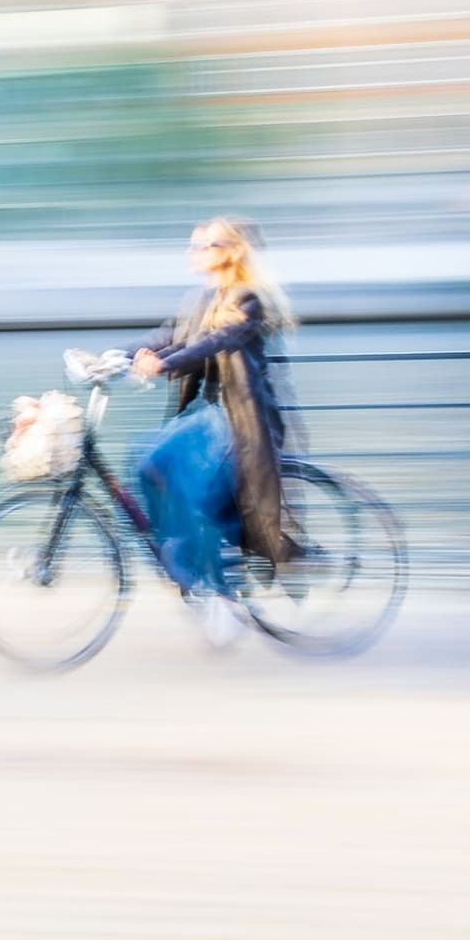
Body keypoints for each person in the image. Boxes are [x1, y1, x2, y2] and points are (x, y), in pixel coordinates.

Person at [127, 216, 296, 642]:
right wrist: (116, 355)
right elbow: (171, 335)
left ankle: (219, 594)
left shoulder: (247, 300)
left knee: (189, 490)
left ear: (231, 251)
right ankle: (193, 568)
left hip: (240, 421)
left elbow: (214, 342)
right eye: (194, 246)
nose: (194, 253)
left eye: (203, 245)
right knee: (148, 463)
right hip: (208, 416)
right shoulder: (203, 299)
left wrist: (164, 363)